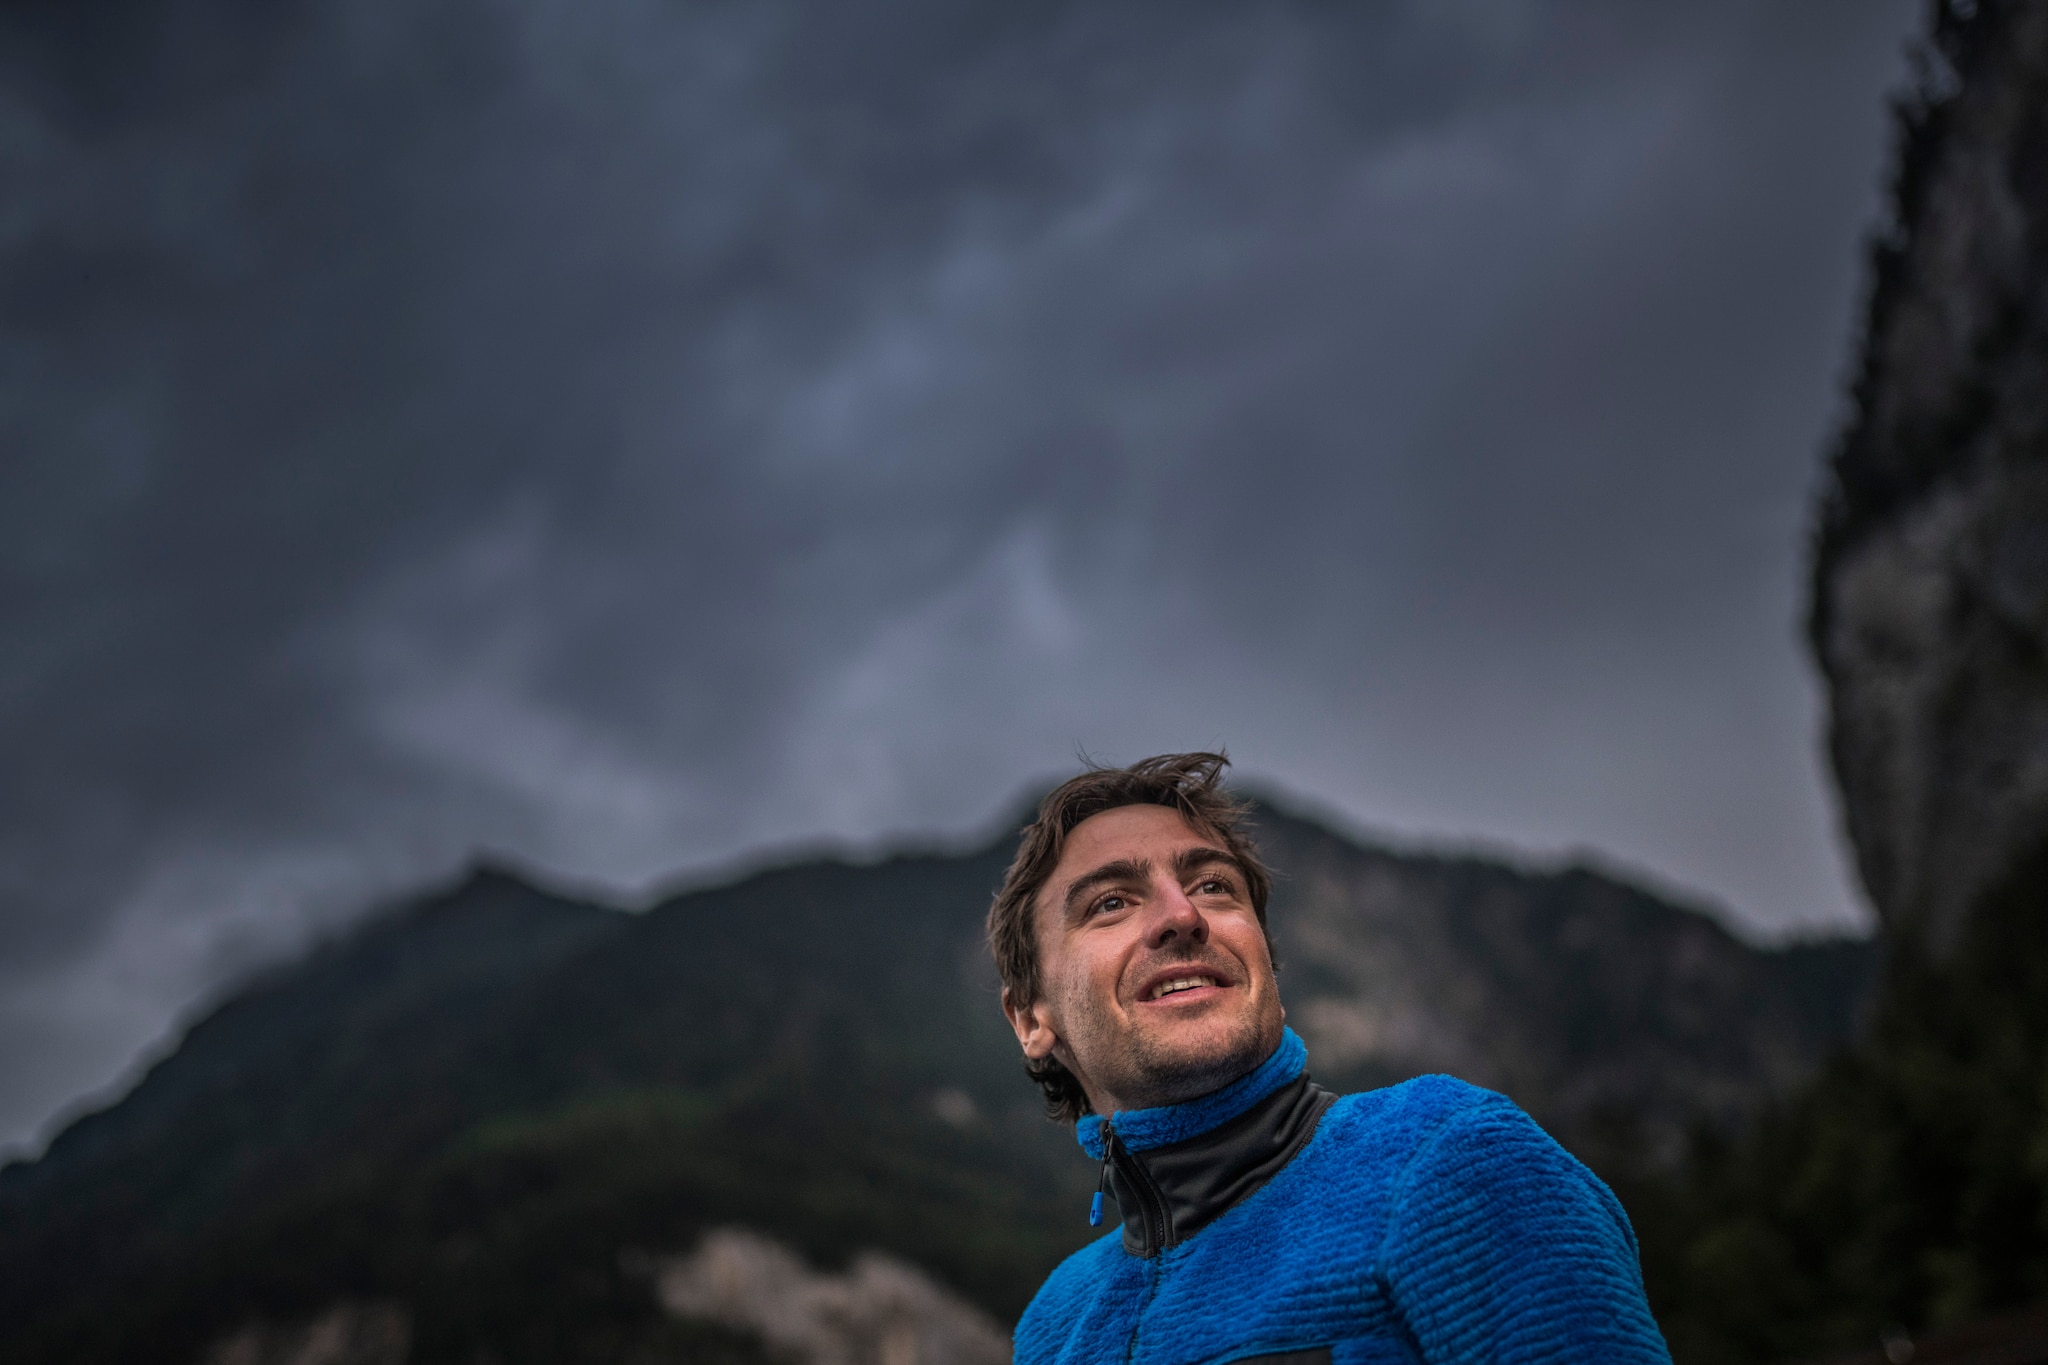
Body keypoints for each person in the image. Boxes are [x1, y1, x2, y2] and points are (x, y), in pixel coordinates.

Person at [988, 752, 1671, 1365]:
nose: (1182, 914)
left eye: (1215, 886)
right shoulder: (1055, 1323)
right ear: (1030, 1018)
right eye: (1112, 902)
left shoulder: (1451, 1156)